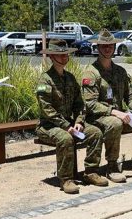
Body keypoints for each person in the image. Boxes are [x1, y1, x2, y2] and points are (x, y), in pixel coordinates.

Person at [80, 29, 132, 179]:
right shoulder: (91, 73)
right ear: (97, 48)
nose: (107, 48)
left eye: (110, 45)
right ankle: (112, 167)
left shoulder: (120, 71)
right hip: (98, 118)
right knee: (114, 123)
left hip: (121, 115)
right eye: (104, 46)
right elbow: (90, 104)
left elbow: (130, 95)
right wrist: (115, 112)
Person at [36, 39, 107, 193]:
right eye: (59, 55)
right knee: (65, 138)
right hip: (48, 126)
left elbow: (80, 103)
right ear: (51, 57)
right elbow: (47, 109)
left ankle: (91, 172)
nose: (64, 58)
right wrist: (66, 126)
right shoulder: (45, 80)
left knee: (95, 133)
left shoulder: (70, 78)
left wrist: (79, 121)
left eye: (66, 55)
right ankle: (66, 179)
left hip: (69, 124)